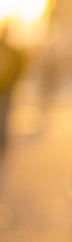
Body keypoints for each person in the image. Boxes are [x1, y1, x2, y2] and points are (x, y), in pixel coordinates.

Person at [0, 21, 26, 161]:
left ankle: (3, 139)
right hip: (7, 87)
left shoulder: (12, 51)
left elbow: (18, 68)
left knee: (4, 115)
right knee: (4, 114)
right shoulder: (11, 51)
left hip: (7, 87)